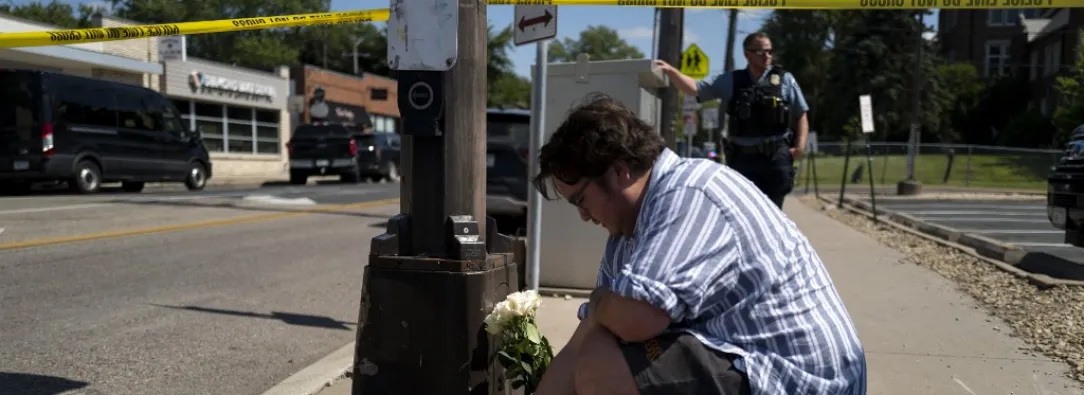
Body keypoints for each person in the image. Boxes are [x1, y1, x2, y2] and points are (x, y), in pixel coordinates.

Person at [530, 93, 866, 395]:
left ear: (620, 171)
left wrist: (601, 301)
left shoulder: (690, 193)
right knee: (598, 345)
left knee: (604, 360)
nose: (584, 217)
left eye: (581, 200)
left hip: (800, 379)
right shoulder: (626, 235)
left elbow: (635, 319)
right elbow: (582, 340)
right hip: (747, 361)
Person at [655, 31, 809, 209]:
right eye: (760, 52)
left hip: (776, 158)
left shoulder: (785, 80)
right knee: (744, 212)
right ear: (747, 54)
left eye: (769, 51)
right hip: (743, 159)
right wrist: (671, 71)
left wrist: (800, 145)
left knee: (774, 211)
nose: (767, 56)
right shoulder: (731, 81)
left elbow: (801, 112)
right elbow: (695, 88)